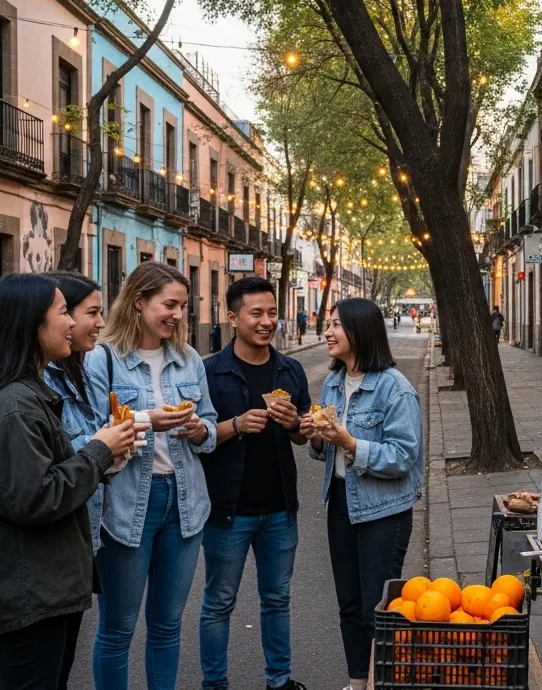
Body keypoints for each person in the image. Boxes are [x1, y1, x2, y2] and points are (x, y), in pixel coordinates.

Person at [0, 273, 143, 690]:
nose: (73, 323)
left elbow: (41, 477)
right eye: (62, 313)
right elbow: (33, 497)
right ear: (32, 324)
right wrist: (99, 450)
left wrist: (103, 459)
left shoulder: (24, 394)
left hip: (43, 587)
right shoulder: (16, 406)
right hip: (32, 590)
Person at [84, 262, 218, 690]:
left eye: (183, 305)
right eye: (169, 304)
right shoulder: (101, 360)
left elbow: (211, 426)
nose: (178, 314)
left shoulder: (188, 359)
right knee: (117, 628)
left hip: (185, 503)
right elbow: (88, 435)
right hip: (125, 504)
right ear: (139, 301)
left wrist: (201, 430)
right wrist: (146, 420)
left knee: (167, 624)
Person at [303, 298, 423, 690]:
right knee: (350, 605)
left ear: (360, 331)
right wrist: (318, 439)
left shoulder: (395, 389)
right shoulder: (334, 382)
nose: (327, 331)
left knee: (378, 607)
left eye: (336, 324)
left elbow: (404, 456)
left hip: (383, 511)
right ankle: (358, 682)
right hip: (341, 502)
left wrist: (350, 442)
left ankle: (380, 683)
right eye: (328, 323)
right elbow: (328, 450)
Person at [199, 277, 311, 690]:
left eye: (271, 313)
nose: (267, 322)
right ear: (232, 318)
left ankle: (278, 680)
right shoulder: (210, 372)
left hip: (280, 508)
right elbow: (197, 437)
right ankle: (215, 684)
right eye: (256, 314)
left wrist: (297, 424)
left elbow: (304, 435)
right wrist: (237, 425)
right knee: (218, 603)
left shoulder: (291, 369)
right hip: (227, 510)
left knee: (277, 600)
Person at [43, 272, 127, 553]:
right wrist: (103, 446)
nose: (101, 323)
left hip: (86, 525)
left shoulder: (85, 370)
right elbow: (43, 468)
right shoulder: (35, 384)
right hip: (58, 537)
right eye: (92, 313)